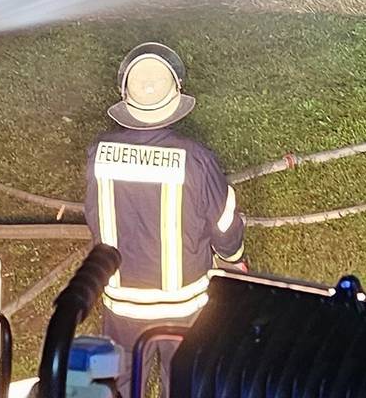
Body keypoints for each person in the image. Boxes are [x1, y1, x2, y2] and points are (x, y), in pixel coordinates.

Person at [85, 43, 247, 361]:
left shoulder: (98, 154)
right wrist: (234, 258)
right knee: (185, 380)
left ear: (125, 97)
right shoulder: (196, 158)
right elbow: (225, 226)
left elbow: (93, 216)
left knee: (118, 384)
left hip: (121, 301)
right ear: (175, 98)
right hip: (185, 306)